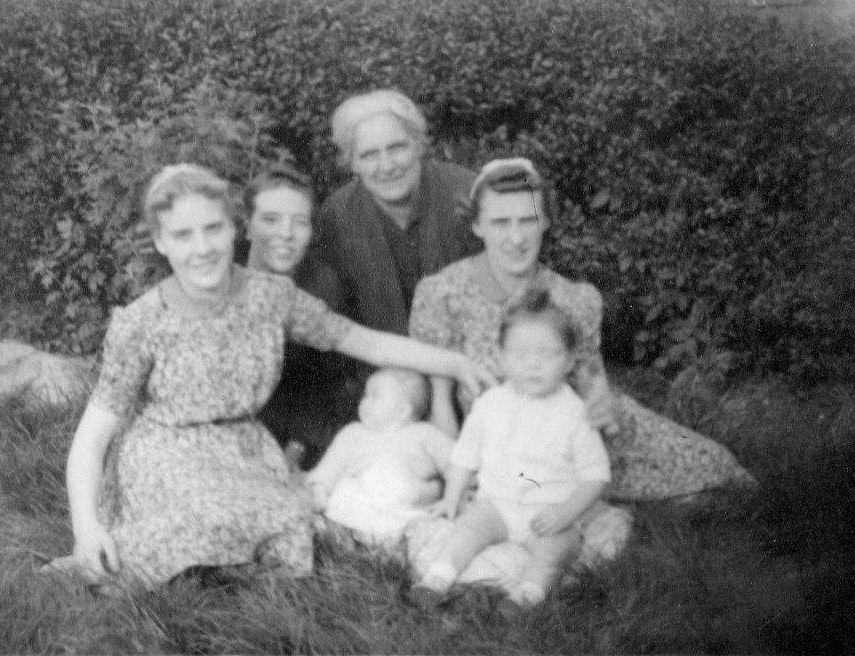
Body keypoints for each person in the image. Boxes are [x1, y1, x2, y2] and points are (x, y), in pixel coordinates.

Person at [43, 164, 495, 592]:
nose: (201, 248)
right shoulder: (140, 322)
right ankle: (101, 560)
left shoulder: (271, 296)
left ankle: (204, 568)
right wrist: (86, 530)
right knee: (222, 512)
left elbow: (363, 341)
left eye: (213, 229)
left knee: (294, 519)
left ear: (233, 229)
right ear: (161, 243)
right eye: (183, 235)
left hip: (244, 447)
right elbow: (91, 439)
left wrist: (454, 364)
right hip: (164, 451)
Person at [409, 157, 758, 502]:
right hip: (502, 447)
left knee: (718, 470)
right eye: (500, 222)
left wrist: (599, 396)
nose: (516, 238)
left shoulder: (573, 297)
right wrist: (457, 473)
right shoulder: (444, 293)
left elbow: (591, 372)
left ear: (545, 221)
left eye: (528, 220)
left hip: (576, 430)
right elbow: (438, 396)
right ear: (477, 226)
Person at [409, 289, 612, 609]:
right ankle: (437, 578)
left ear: (570, 360)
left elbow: (596, 476)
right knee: (467, 528)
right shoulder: (490, 404)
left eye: (548, 355)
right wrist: (451, 497)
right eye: (520, 355)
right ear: (502, 358)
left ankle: (526, 596)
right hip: (497, 506)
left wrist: (565, 513)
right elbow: (465, 454)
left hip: (549, 512)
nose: (533, 365)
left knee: (555, 550)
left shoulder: (575, 412)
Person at [313, 89, 481, 338]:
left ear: (418, 145)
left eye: (397, 147)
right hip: (384, 366)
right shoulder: (336, 217)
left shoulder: (466, 192)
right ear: (352, 163)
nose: (387, 166)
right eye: (369, 154)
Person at [244, 162, 357, 469]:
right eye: (270, 220)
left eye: (300, 222)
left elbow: (323, 382)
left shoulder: (323, 285)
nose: (286, 234)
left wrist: (295, 449)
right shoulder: (220, 272)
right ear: (247, 224)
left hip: (291, 425)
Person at [306, 367, 453, 547]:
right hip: (356, 508)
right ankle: (338, 538)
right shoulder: (353, 433)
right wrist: (320, 487)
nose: (364, 401)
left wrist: (454, 496)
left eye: (375, 396)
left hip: (402, 512)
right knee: (344, 491)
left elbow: (454, 462)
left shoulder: (424, 435)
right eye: (365, 395)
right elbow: (331, 465)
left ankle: (394, 546)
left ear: (402, 410)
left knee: (427, 528)